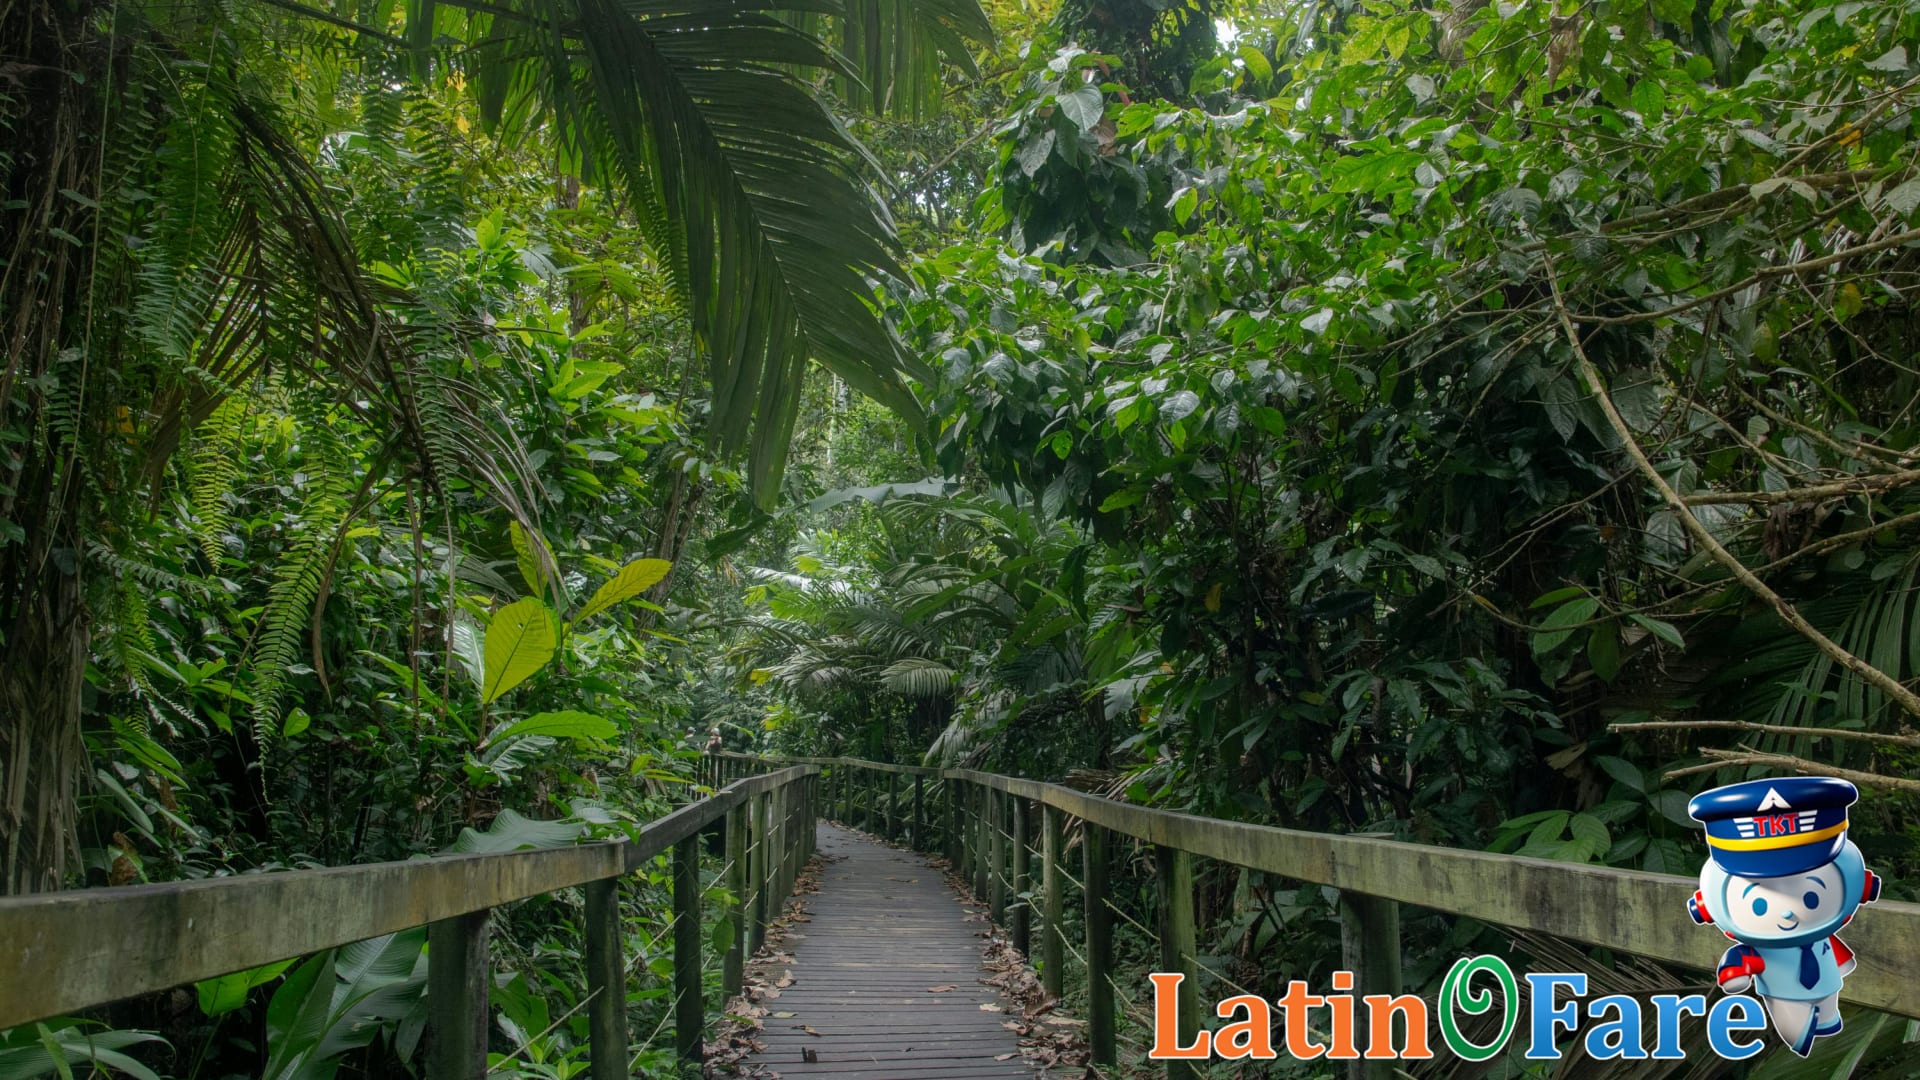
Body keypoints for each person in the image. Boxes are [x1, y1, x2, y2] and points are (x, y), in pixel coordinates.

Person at [1687, 777, 1882, 1056]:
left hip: (1828, 986)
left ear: (1862, 887)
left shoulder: (1824, 931)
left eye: (1809, 897)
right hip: (1783, 995)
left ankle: (1826, 1023)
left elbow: (1832, 952)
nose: (1788, 910)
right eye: (1760, 903)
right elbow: (1739, 964)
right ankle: (1802, 1036)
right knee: (1798, 1032)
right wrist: (1736, 973)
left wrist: (1842, 963)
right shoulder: (1754, 944)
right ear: (1706, 906)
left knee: (1828, 1025)